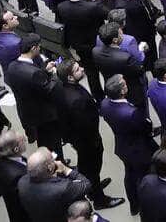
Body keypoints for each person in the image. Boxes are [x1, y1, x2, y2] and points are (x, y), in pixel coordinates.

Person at [53, 61, 124, 210]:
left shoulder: (63, 87)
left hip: (77, 138)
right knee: (91, 167)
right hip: (88, 141)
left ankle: (92, 186)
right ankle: (99, 199)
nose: (83, 69)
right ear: (70, 77)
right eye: (78, 69)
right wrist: (95, 141)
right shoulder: (77, 100)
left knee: (88, 167)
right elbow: (85, 126)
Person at [100, 76, 157, 216]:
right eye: (125, 84)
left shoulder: (105, 103)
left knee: (130, 175)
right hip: (139, 149)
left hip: (122, 146)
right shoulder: (131, 113)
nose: (127, 85)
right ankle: (148, 206)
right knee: (145, 177)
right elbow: (145, 127)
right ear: (122, 91)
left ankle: (134, 205)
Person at [16, 147, 94, 222]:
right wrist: (65, 169)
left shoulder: (22, 182)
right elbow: (86, 184)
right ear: (49, 168)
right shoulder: (63, 188)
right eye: (52, 159)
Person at [0, 130, 30, 222]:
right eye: (22, 140)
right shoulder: (16, 177)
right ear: (16, 149)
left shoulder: (0, 158)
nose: (25, 139)